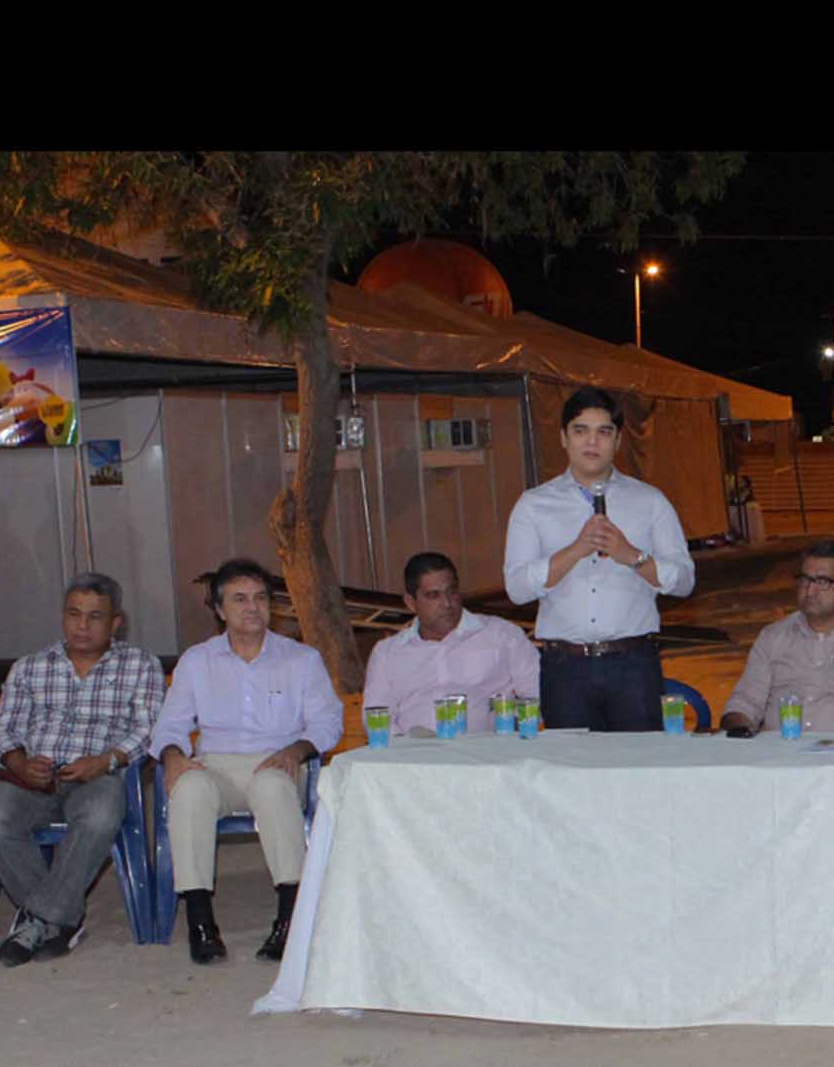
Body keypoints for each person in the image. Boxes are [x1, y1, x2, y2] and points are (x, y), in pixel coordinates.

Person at [151, 558, 344, 966]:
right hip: (216, 763)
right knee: (188, 790)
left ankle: (290, 918)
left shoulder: (301, 659)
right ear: (220, 610)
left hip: (277, 759)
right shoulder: (196, 661)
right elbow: (170, 725)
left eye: (260, 598)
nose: (252, 607)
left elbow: (328, 722)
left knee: (274, 786)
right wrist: (170, 757)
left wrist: (297, 750)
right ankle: (201, 921)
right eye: (239, 599)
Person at [0, 573, 166, 966]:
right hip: (34, 776)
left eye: (96, 616)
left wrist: (106, 760)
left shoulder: (140, 665)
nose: (83, 625)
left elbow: (149, 729)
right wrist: (19, 763)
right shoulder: (30, 667)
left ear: (116, 623)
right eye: (74, 614)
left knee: (99, 818)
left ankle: (38, 919)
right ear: (63, 617)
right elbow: (5, 729)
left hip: (99, 775)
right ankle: (64, 917)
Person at [502, 386, 695, 732]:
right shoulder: (533, 505)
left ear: (618, 441)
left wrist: (632, 556)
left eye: (604, 432)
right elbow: (517, 589)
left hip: (634, 664)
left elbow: (684, 580)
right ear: (563, 438)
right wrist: (576, 550)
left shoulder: (650, 501)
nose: (592, 442)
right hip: (566, 667)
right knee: (573, 778)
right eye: (581, 431)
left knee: (638, 772)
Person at [719, 540, 834, 735]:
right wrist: (739, 731)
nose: (809, 590)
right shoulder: (773, 636)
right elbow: (744, 703)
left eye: (823, 582)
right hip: (778, 756)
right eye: (805, 579)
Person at [360, 552, 540, 737]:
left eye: (451, 592)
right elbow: (376, 717)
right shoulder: (387, 653)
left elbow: (535, 694)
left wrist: (512, 734)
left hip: (488, 755)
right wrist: (406, 753)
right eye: (433, 595)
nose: (447, 604)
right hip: (414, 757)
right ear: (411, 603)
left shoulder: (501, 635)